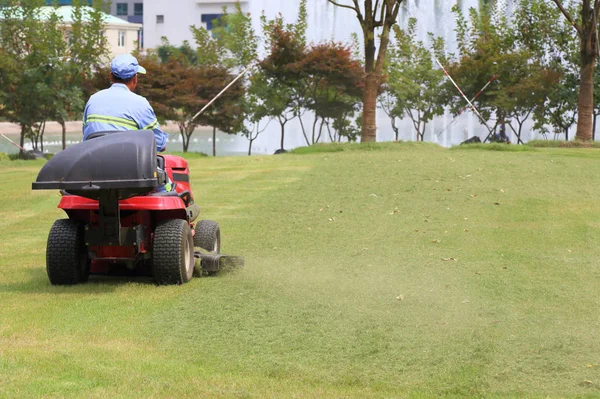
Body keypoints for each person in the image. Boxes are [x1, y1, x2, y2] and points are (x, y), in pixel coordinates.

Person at [83, 54, 172, 191]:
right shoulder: (140, 103)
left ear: (111, 77)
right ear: (135, 78)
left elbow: (86, 138)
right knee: (167, 188)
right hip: (132, 172)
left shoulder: (92, 100)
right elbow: (159, 144)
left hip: (95, 170)